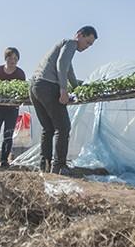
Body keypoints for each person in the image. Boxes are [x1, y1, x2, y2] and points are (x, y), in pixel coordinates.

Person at [29, 26, 97, 174]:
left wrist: (78, 86)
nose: (87, 47)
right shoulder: (71, 43)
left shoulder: (65, 47)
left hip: (35, 86)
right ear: (79, 35)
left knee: (48, 128)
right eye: (87, 42)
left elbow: (68, 70)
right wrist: (63, 90)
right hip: (48, 86)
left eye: (90, 45)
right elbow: (61, 65)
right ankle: (59, 166)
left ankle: (45, 165)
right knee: (63, 127)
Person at [0, 47, 26, 168]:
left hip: (11, 109)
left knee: (8, 135)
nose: (13, 60)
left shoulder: (20, 73)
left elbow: (22, 91)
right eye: (10, 57)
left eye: (15, 58)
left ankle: (4, 160)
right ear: (6, 58)